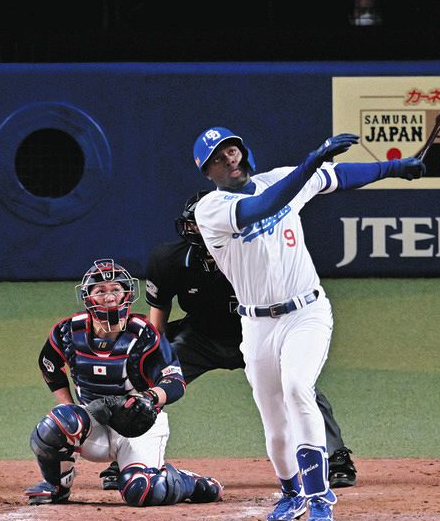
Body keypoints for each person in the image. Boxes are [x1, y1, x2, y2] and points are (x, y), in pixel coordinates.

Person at [192, 126, 425, 521]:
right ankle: (291, 492)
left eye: (232, 150)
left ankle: (320, 499)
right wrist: (310, 161)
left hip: (307, 313)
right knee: (274, 423)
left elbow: (338, 176)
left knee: (299, 388)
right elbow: (263, 207)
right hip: (256, 325)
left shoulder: (282, 178)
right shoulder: (211, 209)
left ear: (243, 152)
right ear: (207, 171)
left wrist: (395, 167)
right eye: (217, 158)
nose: (228, 160)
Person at [98, 192, 357, 491]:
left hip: (258, 333)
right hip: (200, 339)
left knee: (297, 385)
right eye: (196, 224)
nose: (201, 230)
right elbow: (158, 320)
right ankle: (127, 459)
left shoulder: (258, 255)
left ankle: (335, 457)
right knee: (148, 381)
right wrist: (149, 360)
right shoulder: (168, 261)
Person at [24, 258, 223, 507]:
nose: (109, 297)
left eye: (115, 290)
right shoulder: (68, 331)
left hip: (140, 424)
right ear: (88, 297)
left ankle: (189, 482)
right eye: (100, 291)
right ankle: (57, 487)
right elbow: (49, 364)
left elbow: (174, 381)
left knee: (143, 491)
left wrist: (148, 399)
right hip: (94, 423)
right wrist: (70, 407)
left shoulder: (145, 334)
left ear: (126, 294)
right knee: (57, 423)